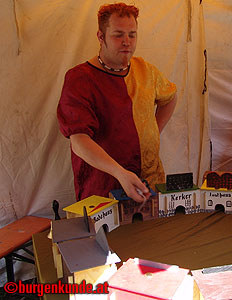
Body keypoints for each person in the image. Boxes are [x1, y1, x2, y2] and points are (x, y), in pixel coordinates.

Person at [57, 3, 177, 202]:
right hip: (104, 188)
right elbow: (79, 141)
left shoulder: (146, 70)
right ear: (101, 36)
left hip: (149, 182)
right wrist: (120, 173)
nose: (126, 42)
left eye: (132, 34)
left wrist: (153, 130)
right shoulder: (80, 78)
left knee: (153, 232)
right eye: (118, 35)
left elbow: (170, 97)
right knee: (109, 234)